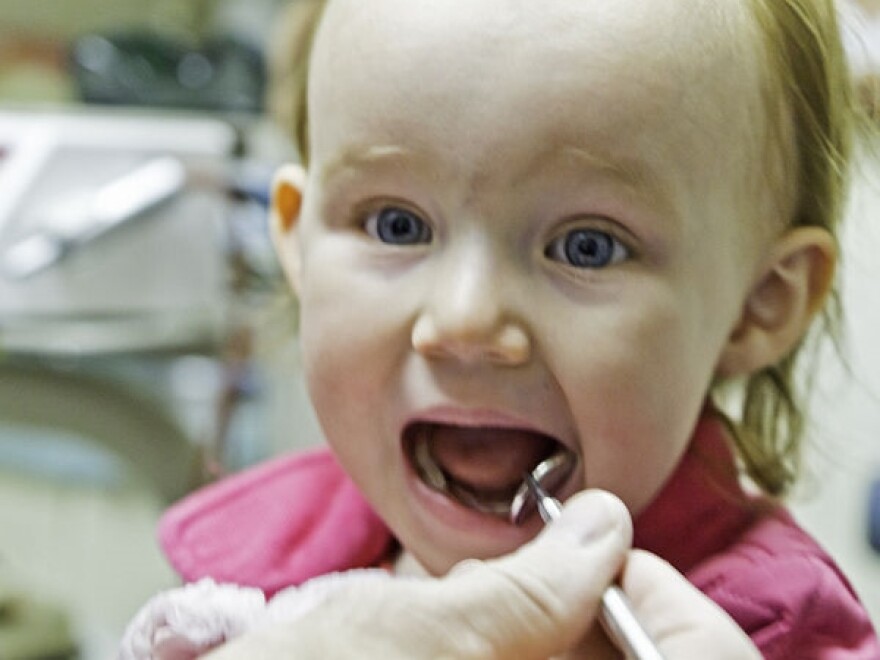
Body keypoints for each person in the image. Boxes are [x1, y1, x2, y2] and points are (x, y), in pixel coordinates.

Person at [121, 0, 880, 657]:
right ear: (299, 241)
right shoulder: (247, 576)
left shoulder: (772, 630)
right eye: (396, 224)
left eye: (588, 246)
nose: (465, 321)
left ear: (761, 302)